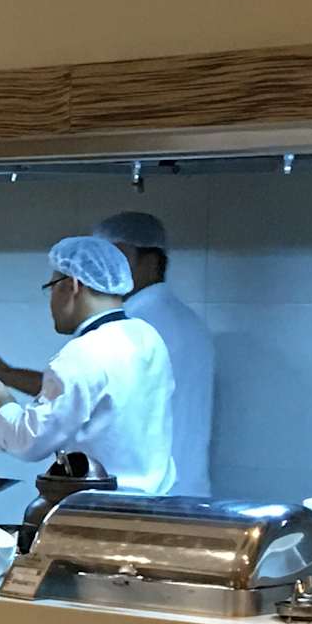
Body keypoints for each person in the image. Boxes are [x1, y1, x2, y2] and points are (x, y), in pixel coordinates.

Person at [0, 236, 176, 496]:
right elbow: (81, 399)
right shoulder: (146, 337)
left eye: (51, 287)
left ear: (71, 285)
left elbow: (31, 442)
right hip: (151, 503)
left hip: (100, 508)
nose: (50, 301)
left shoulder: (83, 353)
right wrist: (4, 372)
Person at [95, 210, 214, 497]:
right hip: (189, 494)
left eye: (117, 257)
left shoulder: (133, 326)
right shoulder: (190, 322)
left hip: (142, 500)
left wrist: (5, 378)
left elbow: (76, 395)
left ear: (150, 260)